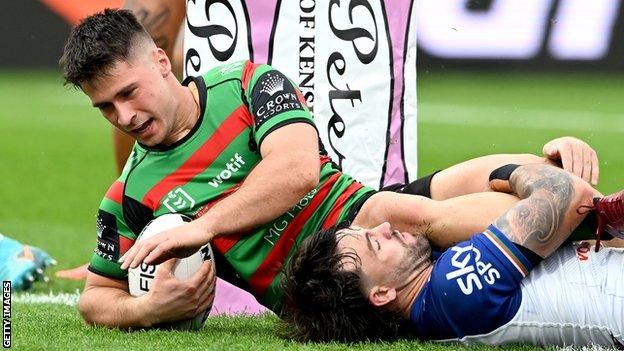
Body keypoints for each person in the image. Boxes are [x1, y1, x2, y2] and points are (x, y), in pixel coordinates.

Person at [60, 9, 603, 329]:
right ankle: (590, 215)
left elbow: (296, 172)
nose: (124, 117)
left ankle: (581, 202)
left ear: (161, 61)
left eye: (128, 94)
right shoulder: (131, 194)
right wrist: (148, 308)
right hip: (327, 280)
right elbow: (96, 299)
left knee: (531, 164)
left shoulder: (252, 83)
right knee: (403, 209)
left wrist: (200, 226)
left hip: (362, 208)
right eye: (105, 108)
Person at [280, 163, 624, 347]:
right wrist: (508, 173)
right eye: (374, 243)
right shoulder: (453, 289)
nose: (383, 226)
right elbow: (568, 192)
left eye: (368, 230)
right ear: (382, 294)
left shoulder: (436, 301)